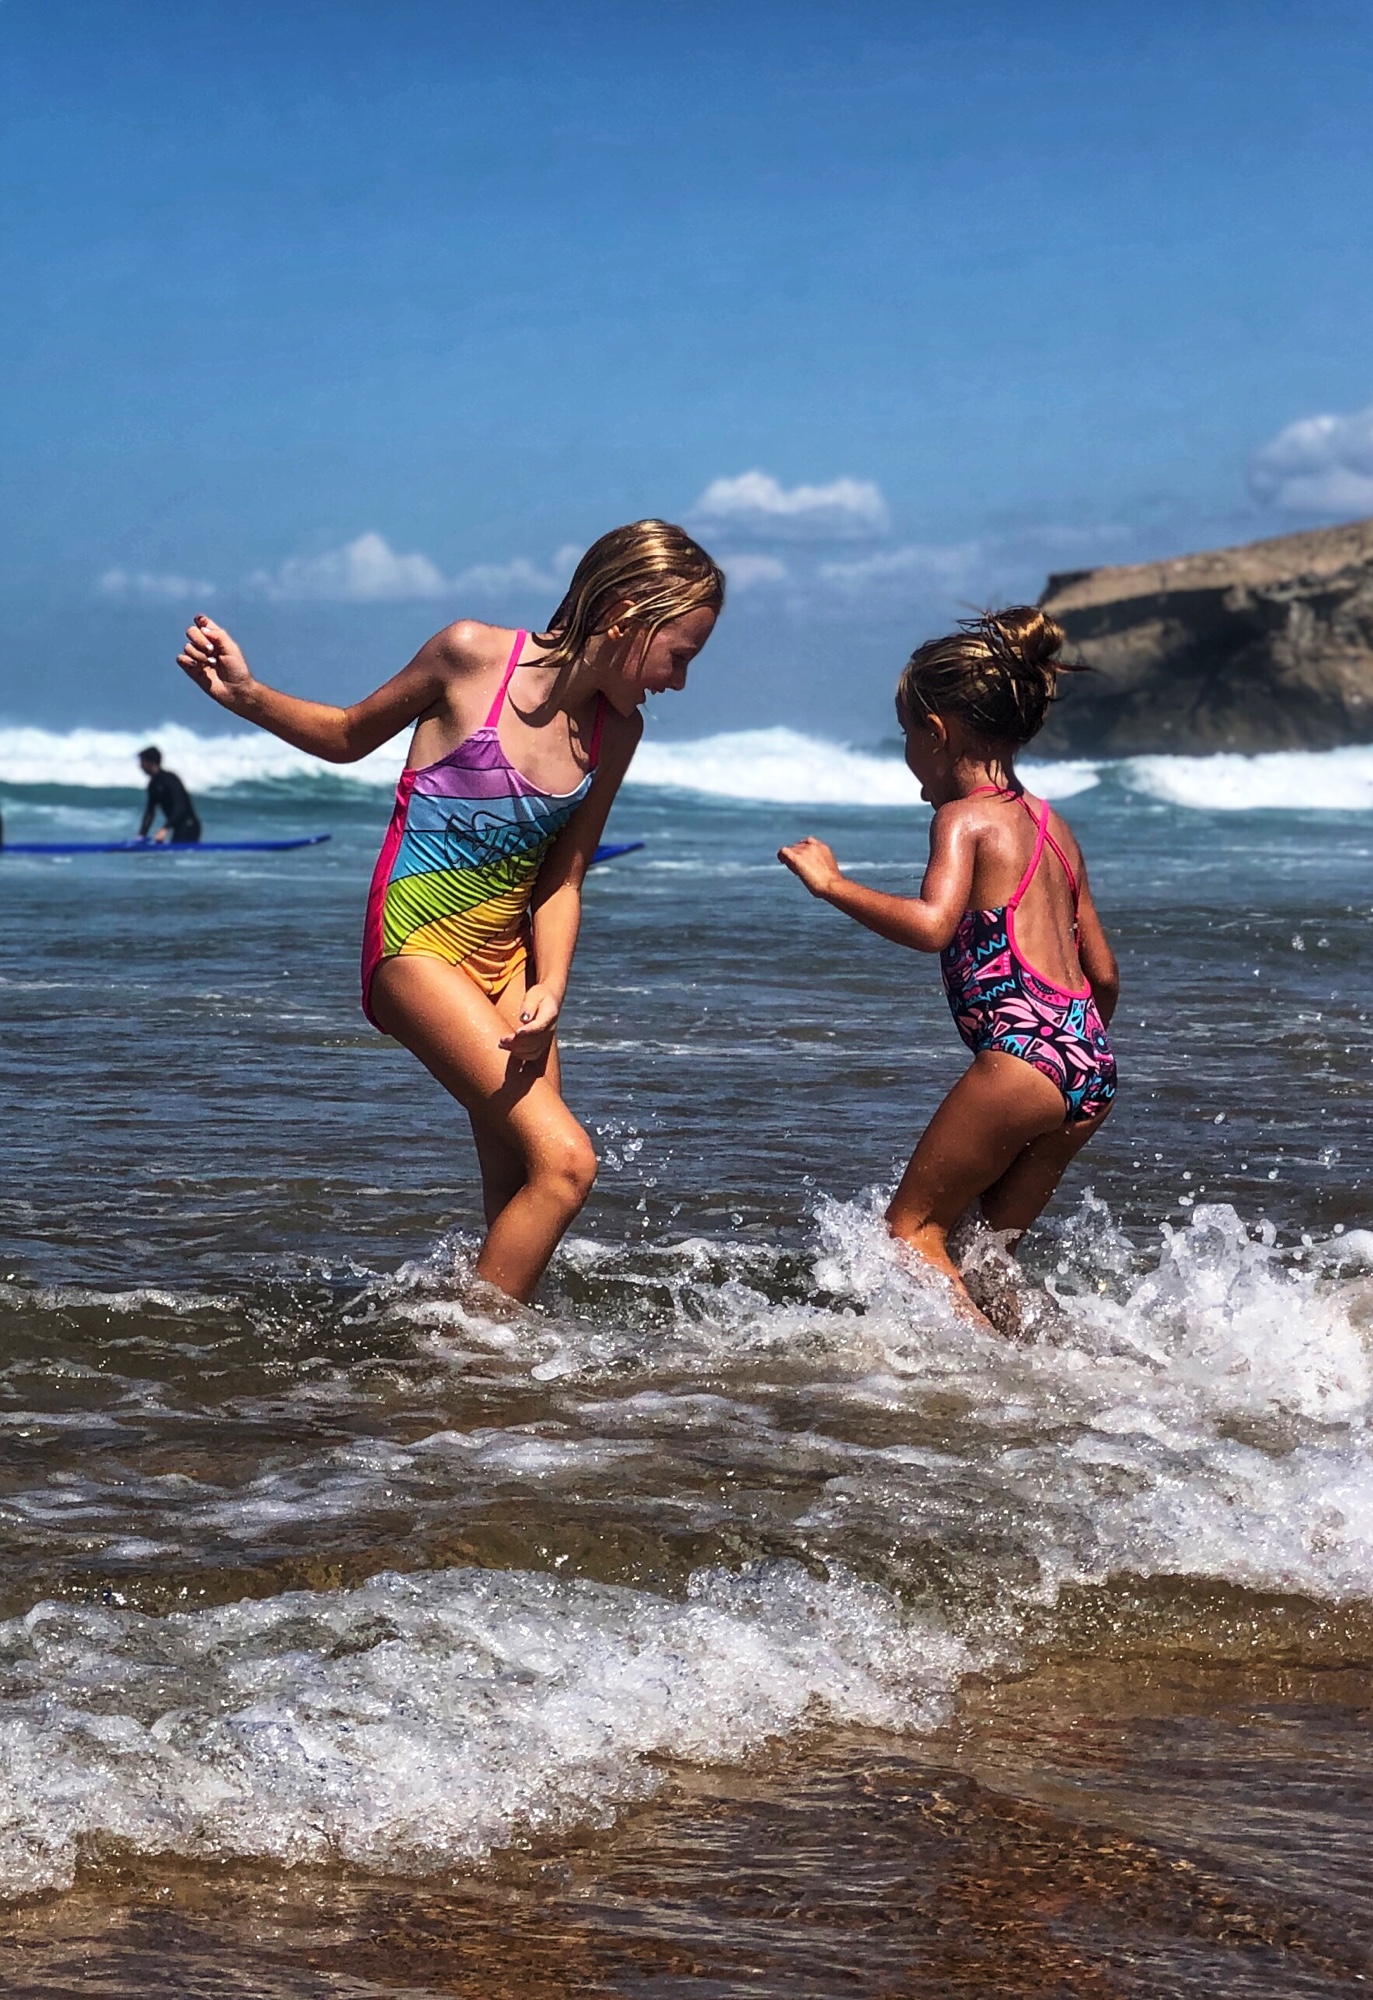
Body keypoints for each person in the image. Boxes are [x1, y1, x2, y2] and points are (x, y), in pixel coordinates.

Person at [176, 520, 724, 1302]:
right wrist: (247, 695)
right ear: (624, 615)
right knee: (568, 1163)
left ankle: (490, 1368)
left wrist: (550, 987)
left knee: (525, 1184)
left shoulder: (616, 731)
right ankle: (472, 1351)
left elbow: (563, 878)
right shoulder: (469, 655)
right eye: (681, 655)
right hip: (414, 948)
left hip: (510, 965)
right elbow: (347, 735)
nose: (680, 681)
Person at [778, 607, 1118, 1332]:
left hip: (1024, 1058)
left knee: (910, 1234)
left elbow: (933, 924)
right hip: (1088, 1063)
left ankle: (991, 1383)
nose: (907, 753)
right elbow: (1104, 974)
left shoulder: (964, 818)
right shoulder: (1053, 827)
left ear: (935, 732)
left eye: (907, 734)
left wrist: (831, 885)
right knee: (983, 1256)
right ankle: (1068, 1366)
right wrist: (1068, 1051)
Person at [137, 746, 202, 843]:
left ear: (151, 763)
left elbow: (180, 805)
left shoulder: (170, 779)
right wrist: (141, 835)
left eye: (142, 762)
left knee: (178, 851)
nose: (140, 766)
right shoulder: (153, 784)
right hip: (177, 827)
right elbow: (150, 812)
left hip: (189, 825)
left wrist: (165, 828)